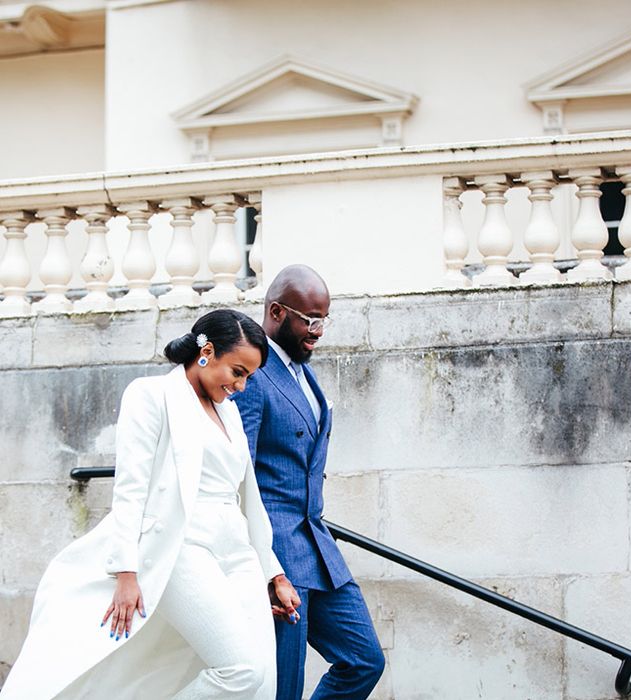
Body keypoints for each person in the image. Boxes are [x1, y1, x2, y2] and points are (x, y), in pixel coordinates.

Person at [1, 308, 301, 700]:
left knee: (260, 683)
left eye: (249, 376)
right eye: (237, 372)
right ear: (206, 351)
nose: (242, 387)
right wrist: (126, 571)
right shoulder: (151, 395)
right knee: (239, 671)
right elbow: (131, 488)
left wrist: (273, 573)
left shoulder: (228, 413)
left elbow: (249, 498)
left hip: (238, 553)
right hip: (183, 548)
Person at [234, 265, 385, 700]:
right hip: (277, 552)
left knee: (364, 660)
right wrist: (263, 565)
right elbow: (237, 475)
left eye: (323, 320)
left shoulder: (304, 373)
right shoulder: (251, 376)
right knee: (284, 685)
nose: (318, 331)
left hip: (317, 547)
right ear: (277, 312)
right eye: (310, 320)